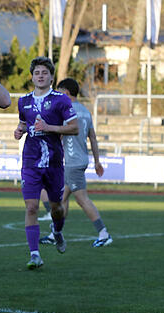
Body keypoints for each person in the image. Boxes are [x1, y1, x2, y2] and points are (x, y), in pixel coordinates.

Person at [13, 57, 78, 269]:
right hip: (30, 162)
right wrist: (20, 131)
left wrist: (49, 128)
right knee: (31, 207)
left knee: (57, 208)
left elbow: (74, 127)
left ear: (51, 77)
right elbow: (24, 123)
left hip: (54, 162)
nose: (40, 76)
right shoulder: (23, 101)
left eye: (44, 72)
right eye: (37, 73)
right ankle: (35, 255)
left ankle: (57, 231)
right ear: (32, 77)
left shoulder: (61, 100)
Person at [39, 78, 112, 248]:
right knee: (62, 199)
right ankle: (55, 233)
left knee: (81, 199)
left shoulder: (67, 111)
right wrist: (97, 161)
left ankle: (103, 233)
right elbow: (92, 138)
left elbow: (60, 135)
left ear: (66, 92)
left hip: (72, 162)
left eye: (59, 92)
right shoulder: (85, 111)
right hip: (79, 160)